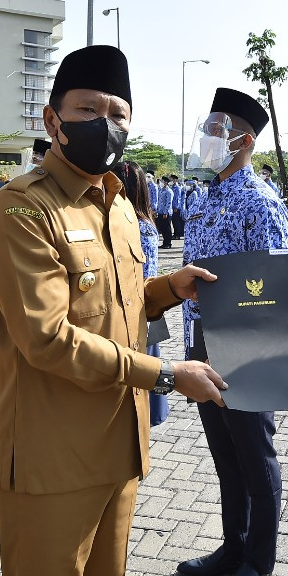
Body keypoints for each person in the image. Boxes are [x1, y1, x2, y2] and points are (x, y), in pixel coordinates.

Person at [0, 45, 228, 576]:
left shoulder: (115, 204)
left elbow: (119, 307)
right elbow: (49, 338)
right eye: (88, 108)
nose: (104, 123)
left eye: (117, 112)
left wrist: (170, 290)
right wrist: (167, 374)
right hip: (49, 460)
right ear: (53, 119)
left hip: (118, 448)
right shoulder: (21, 210)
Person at [177, 87, 288, 576]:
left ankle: (258, 559)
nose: (207, 134)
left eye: (217, 127)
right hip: (204, 339)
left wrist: (258, 358)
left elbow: (270, 284)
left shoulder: (259, 201)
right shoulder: (209, 195)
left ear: (244, 139)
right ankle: (233, 544)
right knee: (225, 454)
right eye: (209, 123)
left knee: (254, 453)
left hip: (245, 342)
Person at [120, 161, 171, 427]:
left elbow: (145, 274)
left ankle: (150, 416)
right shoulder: (130, 222)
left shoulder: (141, 226)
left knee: (147, 361)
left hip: (141, 307)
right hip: (133, 307)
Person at [153, 174, 174, 249]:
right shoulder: (161, 190)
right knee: (162, 228)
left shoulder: (169, 191)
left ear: (165, 182)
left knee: (167, 229)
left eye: (162, 181)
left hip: (166, 213)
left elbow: (168, 203)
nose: (161, 182)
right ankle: (164, 242)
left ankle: (168, 243)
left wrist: (165, 212)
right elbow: (159, 201)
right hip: (160, 212)